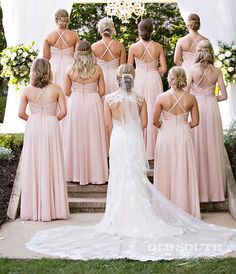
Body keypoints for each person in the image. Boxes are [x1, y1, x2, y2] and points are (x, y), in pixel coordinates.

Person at [26, 64, 236, 260]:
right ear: (133, 79)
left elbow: (107, 124)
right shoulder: (140, 99)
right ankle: (139, 215)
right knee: (136, 174)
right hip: (134, 139)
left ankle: (118, 216)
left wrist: (119, 128)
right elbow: (144, 124)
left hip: (118, 139)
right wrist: (132, 126)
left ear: (117, 79)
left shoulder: (109, 99)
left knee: (119, 174)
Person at [19, 58, 69, 221]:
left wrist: (34, 120)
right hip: (51, 126)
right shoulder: (56, 89)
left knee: (34, 163)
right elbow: (63, 112)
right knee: (51, 162)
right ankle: (53, 209)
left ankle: (34, 209)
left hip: (33, 127)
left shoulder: (27, 90)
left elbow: (21, 113)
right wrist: (51, 120)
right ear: (49, 70)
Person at [153, 66, 200, 218]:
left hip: (166, 134)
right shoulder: (191, 98)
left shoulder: (161, 97)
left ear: (170, 78)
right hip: (184, 133)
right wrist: (183, 126)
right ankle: (184, 208)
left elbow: (154, 121)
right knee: (182, 168)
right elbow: (196, 121)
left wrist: (165, 128)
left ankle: (164, 210)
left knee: (166, 169)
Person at [187, 40, 227, 202]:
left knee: (197, 146)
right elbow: (224, 96)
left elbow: (186, 93)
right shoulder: (217, 71)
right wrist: (210, 98)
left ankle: (198, 191)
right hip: (211, 108)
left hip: (196, 107)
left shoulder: (191, 70)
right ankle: (214, 192)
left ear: (197, 52)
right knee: (212, 146)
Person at [64, 40, 108, 185]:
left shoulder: (70, 69)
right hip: (92, 103)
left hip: (75, 103)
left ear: (76, 52)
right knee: (93, 135)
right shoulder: (97, 69)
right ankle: (95, 174)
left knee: (75, 135)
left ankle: (74, 173)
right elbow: (102, 91)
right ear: (90, 52)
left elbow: (66, 91)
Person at [128, 18, 167, 160]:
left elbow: (128, 68)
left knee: (138, 111)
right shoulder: (158, 47)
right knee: (153, 109)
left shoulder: (133, 47)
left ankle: (140, 147)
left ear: (139, 31)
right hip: (153, 79)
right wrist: (154, 69)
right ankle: (154, 148)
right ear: (152, 31)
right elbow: (164, 68)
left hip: (139, 79)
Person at [43, 9, 80, 90]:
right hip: (70, 66)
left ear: (56, 19)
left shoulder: (49, 36)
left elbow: (46, 58)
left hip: (54, 66)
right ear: (68, 19)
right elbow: (78, 55)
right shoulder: (74, 36)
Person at [92, 17, 126, 95]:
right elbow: (122, 68)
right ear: (112, 30)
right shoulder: (120, 46)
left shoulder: (94, 46)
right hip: (115, 79)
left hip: (100, 78)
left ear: (100, 30)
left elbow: (92, 67)